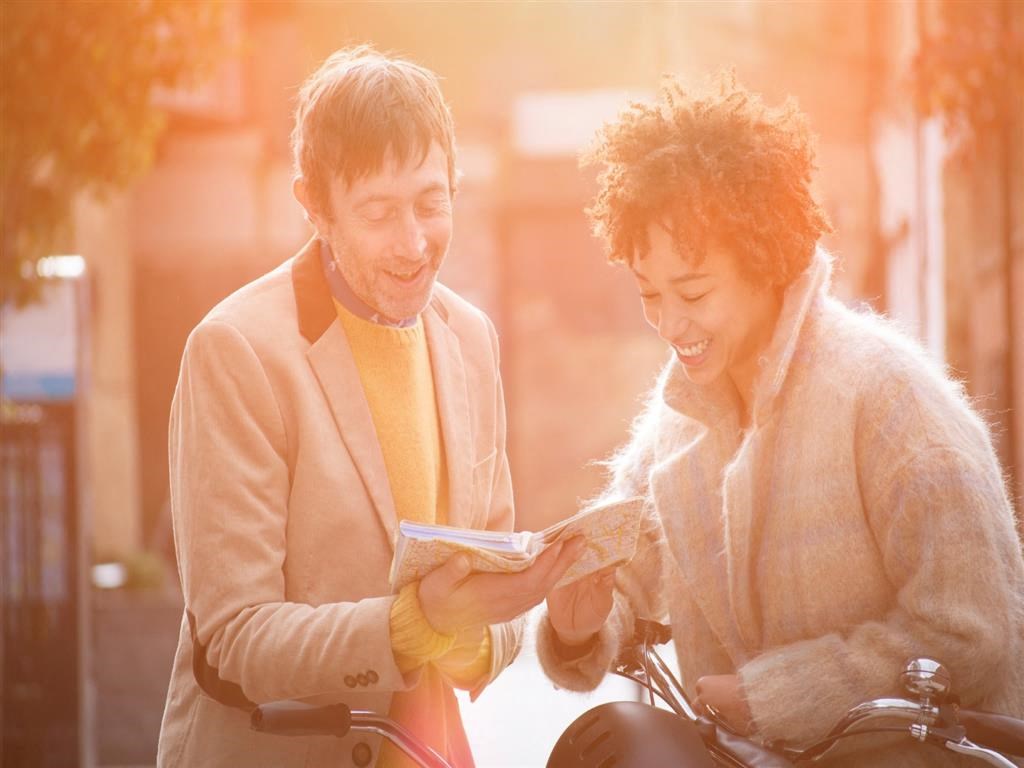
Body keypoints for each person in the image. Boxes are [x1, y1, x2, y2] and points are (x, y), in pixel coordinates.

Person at [538, 71, 1024, 767]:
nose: (670, 323)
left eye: (694, 291)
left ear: (765, 261)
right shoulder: (677, 427)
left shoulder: (890, 397)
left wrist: (779, 695)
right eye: (649, 294)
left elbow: (973, 631)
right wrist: (579, 625)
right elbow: (620, 579)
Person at [157, 46, 583, 768]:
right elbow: (235, 637)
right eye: (379, 212)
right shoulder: (236, 351)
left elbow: (491, 582)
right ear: (314, 206)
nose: (414, 244)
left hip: (427, 751)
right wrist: (419, 623)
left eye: (431, 201)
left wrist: (511, 617)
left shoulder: (470, 339)